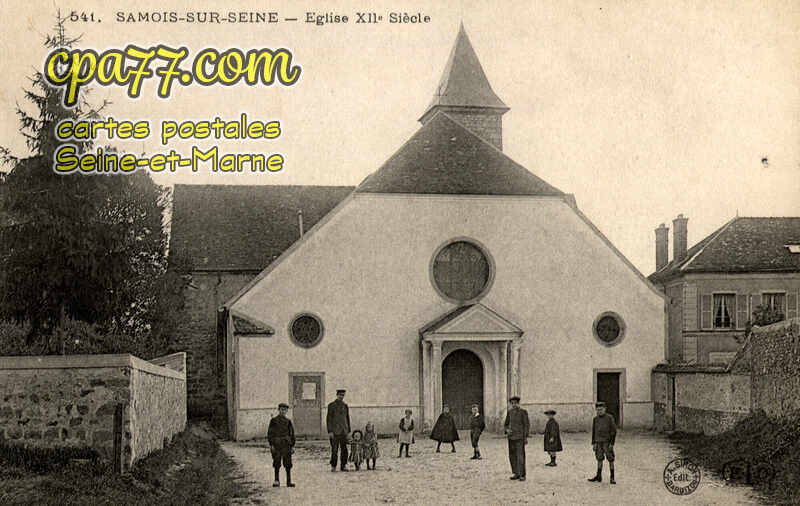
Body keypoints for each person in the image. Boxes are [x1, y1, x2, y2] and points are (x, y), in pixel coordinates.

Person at [267, 402, 296, 487]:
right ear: (278, 410)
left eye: (285, 410)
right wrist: (271, 444)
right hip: (277, 444)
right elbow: (270, 433)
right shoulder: (273, 421)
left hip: (286, 445)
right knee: (277, 462)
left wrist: (292, 446)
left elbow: (292, 434)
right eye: (281, 410)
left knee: (288, 463)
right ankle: (276, 480)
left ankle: (288, 481)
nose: (283, 411)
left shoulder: (288, 422)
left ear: (287, 411)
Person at [588, 401, 617, 484]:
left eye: (601, 410)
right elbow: (594, 432)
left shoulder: (609, 418)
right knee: (599, 458)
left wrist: (612, 443)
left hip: (607, 443)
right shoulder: (595, 419)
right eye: (597, 410)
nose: (599, 411)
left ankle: (612, 477)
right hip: (598, 442)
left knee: (610, 459)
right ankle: (598, 476)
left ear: (605, 409)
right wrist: (593, 443)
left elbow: (614, 431)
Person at [504, 395, 530, 481]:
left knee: (520, 456)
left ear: (518, 403)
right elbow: (506, 424)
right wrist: (507, 430)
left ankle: (522, 475)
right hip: (511, 437)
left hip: (520, 437)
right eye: (512, 403)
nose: (514, 405)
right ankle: (516, 473)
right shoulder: (509, 412)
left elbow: (526, 425)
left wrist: (525, 436)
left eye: (515, 403)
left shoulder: (523, 412)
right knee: (512, 456)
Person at [327, 389, 351, 472]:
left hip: (344, 431)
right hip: (335, 432)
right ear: (337, 395)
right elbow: (329, 419)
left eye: (343, 395)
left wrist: (348, 431)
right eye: (340, 395)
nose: (341, 397)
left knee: (344, 450)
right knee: (334, 450)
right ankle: (333, 466)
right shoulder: (331, 405)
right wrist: (330, 431)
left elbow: (347, 419)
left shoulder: (345, 405)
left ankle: (343, 465)